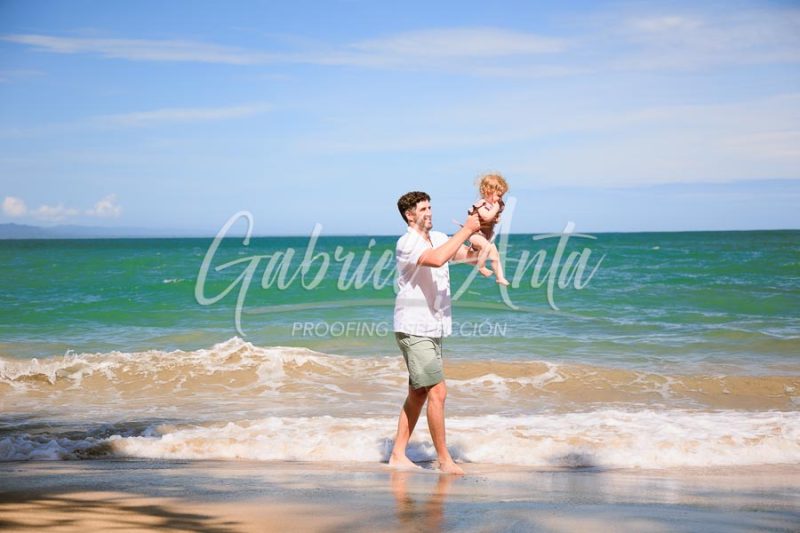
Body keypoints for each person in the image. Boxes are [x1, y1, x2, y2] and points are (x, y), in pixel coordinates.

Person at [389, 190, 481, 475]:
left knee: (418, 394)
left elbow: (467, 256)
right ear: (410, 215)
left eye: (430, 206)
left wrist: (482, 229)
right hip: (414, 327)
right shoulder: (407, 243)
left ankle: (396, 455)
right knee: (437, 392)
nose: (429, 212)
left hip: (433, 327)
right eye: (423, 208)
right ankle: (444, 460)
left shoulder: (439, 237)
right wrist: (466, 229)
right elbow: (437, 260)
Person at [465, 173, 510, 286]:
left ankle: (500, 277)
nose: (500, 199)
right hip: (475, 235)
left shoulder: (495, 206)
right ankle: (481, 267)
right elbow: (486, 217)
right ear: (487, 192)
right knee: (485, 246)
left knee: (495, 256)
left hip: (487, 236)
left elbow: (493, 217)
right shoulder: (481, 205)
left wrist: (497, 217)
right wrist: (495, 209)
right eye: (498, 195)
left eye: (502, 196)